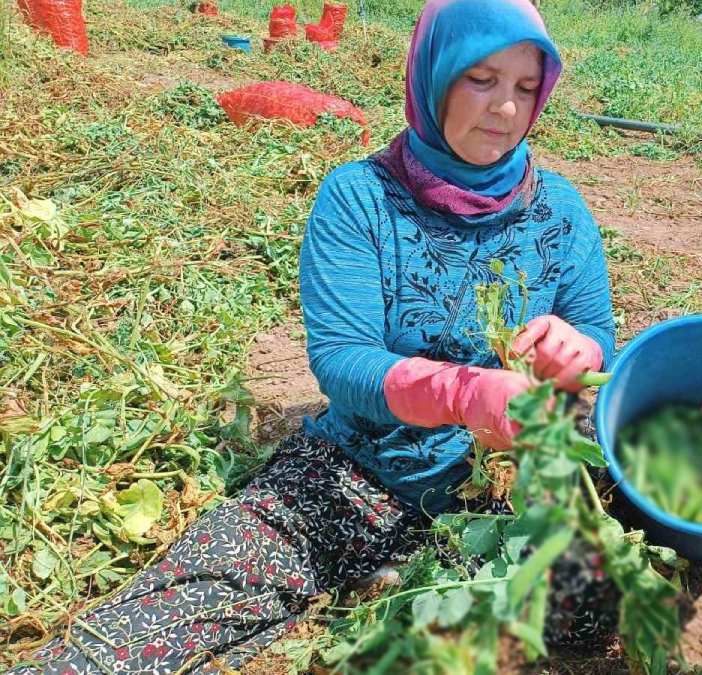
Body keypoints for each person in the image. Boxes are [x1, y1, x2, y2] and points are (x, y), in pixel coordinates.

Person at [10, 0, 615, 671]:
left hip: (502, 487)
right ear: (434, 73)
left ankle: (407, 579)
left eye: (525, 88)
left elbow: (595, 336)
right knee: (161, 618)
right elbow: (343, 361)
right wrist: (462, 392)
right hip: (359, 471)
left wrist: (578, 350)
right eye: (481, 79)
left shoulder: (558, 208)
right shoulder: (359, 199)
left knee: (586, 603)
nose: (504, 108)